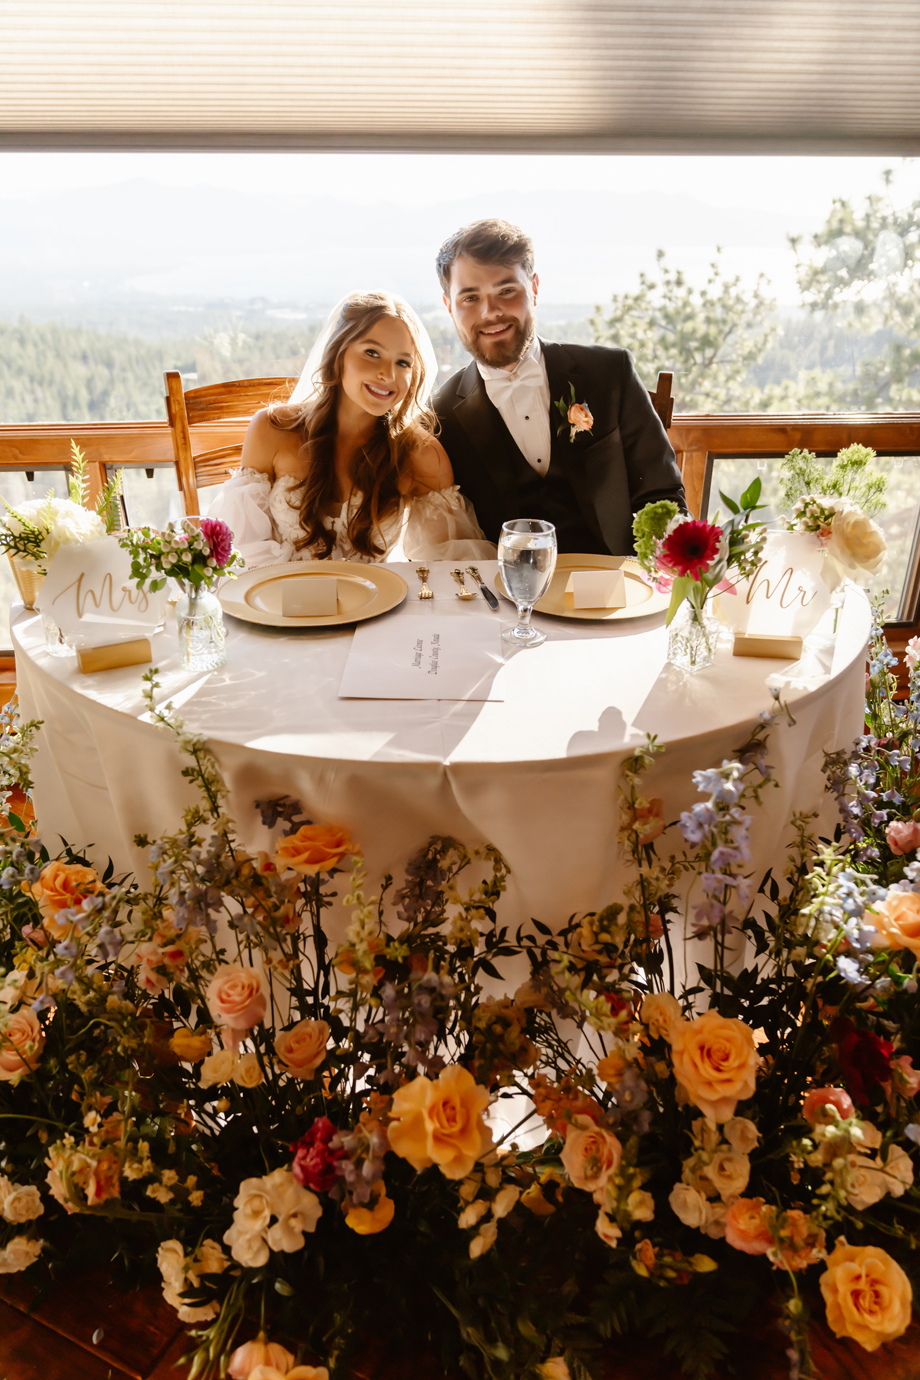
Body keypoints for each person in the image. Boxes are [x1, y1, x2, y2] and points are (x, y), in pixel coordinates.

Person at [433, 219, 687, 555]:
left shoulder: (610, 373)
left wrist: (664, 566)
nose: (490, 312)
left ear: (534, 287)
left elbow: (662, 495)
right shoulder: (440, 415)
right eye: (470, 297)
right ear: (449, 306)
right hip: (506, 586)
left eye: (506, 291)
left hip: (617, 581)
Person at [208, 291, 495, 568]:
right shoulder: (272, 429)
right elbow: (242, 553)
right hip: (278, 598)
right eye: (372, 352)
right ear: (338, 352)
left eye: (402, 362)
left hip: (379, 599)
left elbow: (452, 568)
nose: (388, 375)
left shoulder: (420, 454)